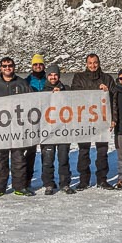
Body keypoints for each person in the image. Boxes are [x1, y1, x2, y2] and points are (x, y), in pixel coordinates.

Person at [0, 56, 32, 197]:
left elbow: (32, 103)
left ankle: (20, 187)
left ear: (14, 67)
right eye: (4, 66)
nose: (7, 68)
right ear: (0, 68)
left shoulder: (22, 83)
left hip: (18, 128)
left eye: (9, 65)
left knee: (19, 159)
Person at [70, 52, 114, 190]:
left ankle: (102, 179)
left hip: (102, 120)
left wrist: (113, 119)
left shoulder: (107, 78)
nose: (93, 65)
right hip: (84, 120)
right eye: (90, 63)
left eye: (95, 63)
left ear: (99, 63)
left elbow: (114, 101)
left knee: (102, 151)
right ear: (86, 64)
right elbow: (74, 97)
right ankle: (84, 180)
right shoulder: (79, 78)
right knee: (83, 151)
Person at [38, 64, 75, 195]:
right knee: (48, 159)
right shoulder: (42, 92)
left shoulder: (66, 89)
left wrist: (63, 95)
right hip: (48, 130)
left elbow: (75, 103)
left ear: (58, 76)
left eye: (55, 75)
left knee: (63, 158)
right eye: (50, 75)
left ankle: (65, 183)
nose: (53, 77)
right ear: (47, 76)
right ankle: (48, 183)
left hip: (63, 130)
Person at [23, 53, 48, 187]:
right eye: (35, 64)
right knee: (30, 151)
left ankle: (47, 179)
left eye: (40, 64)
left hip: (47, 120)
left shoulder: (48, 80)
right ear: (32, 66)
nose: (38, 66)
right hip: (31, 121)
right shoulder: (26, 81)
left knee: (47, 151)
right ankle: (27, 180)